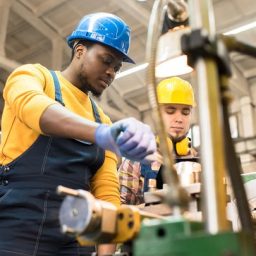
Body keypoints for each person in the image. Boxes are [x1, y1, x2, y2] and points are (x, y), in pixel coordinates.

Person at [0, 12, 157, 256]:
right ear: (80, 50)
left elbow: (107, 194)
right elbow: (35, 108)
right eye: (106, 60)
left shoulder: (102, 118)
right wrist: (101, 134)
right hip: (16, 234)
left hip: (74, 242)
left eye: (116, 68)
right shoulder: (33, 77)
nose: (111, 73)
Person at [118, 77, 198, 205]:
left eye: (185, 112)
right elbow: (122, 211)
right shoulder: (135, 161)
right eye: (170, 111)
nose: (179, 119)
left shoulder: (200, 161)